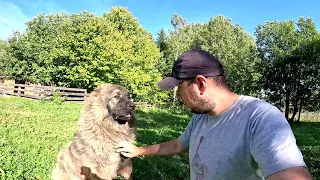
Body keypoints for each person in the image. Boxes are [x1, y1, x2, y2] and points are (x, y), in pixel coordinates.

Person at [116, 49, 313, 180]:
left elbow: (290, 174)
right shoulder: (200, 118)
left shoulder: (260, 118)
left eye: (179, 87)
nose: (179, 95)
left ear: (200, 84)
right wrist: (139, 151)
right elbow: (178, 144)